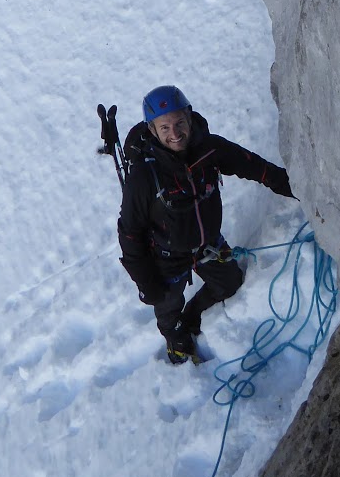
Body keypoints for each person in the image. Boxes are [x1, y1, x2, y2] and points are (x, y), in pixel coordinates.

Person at [118, 85, 294, 363]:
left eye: (179, 123)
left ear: (189, 116)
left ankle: (191, 318)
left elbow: (254, 167)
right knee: (167, 307)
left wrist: (299, 187)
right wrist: (146, 281)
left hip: (207, 244)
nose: (175, 133)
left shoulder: (209, 149)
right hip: (166, 257)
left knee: (229, 283)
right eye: (164, 128)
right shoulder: (143, 175)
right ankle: (175, 338)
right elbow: (130, 234)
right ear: (152, 130)